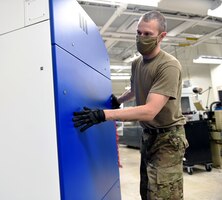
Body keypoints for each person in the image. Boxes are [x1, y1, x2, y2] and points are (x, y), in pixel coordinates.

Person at [72, 10, 188, 200]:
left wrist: (104, 115)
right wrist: (119, 100)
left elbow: (150, 110)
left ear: (161, 36)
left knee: (164, 195)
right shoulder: (137, 64)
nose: (141, 38)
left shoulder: (168, 65)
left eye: (148, 34)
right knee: (147, 190)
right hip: (148, 136)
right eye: (139, 32)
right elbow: (134, 89)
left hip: (168, 138)